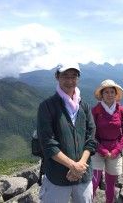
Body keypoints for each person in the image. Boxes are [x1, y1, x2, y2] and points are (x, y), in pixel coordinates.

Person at [37, 62, 97, 203]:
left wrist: (79, 165)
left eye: (74, 76)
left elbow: (91, 137)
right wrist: (72, 165)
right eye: (65, 76)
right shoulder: (47, 106)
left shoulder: (84, 106)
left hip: (83, 174)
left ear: (78, 78)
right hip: (57, 177)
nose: (70, 81)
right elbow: (47, 143)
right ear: (57, 77)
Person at [91, 79, 123, 203]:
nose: (109, 94)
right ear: (101, 95)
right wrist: (102, 150)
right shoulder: (95, 110)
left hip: (115, 149)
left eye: (112, 92)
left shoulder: (120, 110)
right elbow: (91, 133)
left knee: (110, 184)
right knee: (94, 182)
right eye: (106, 92)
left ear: (116, 94)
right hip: (98, 148)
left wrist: (116, 150)